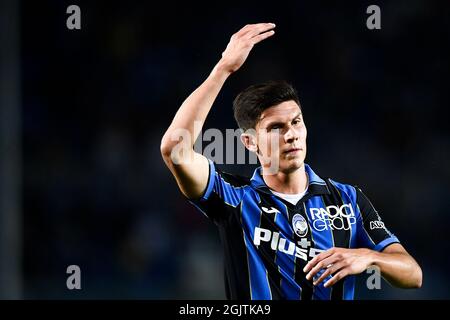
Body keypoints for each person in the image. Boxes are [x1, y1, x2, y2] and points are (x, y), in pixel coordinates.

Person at [160, 23, 422, 300]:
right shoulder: (235, 198)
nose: (291, 135)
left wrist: (370, 257)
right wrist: (223, 69)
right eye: (275, 128)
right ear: (249, 142)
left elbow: (413, 274)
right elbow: (174, 149)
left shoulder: (348, 200)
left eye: (296, 122)